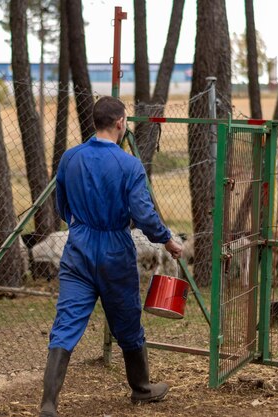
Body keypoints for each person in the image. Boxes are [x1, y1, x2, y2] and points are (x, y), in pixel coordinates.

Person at [39, 96, 183, 417]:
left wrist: (83, 225)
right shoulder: (128, 164)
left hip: (78, 248)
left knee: (67, 321)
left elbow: (62, 207)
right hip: (115, 249)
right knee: (127, 319)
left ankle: (49, 403)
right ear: (120, 123)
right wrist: (167, 240)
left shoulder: (70, 158)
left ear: (94, 122)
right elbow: (143, 214)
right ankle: (142, 390)